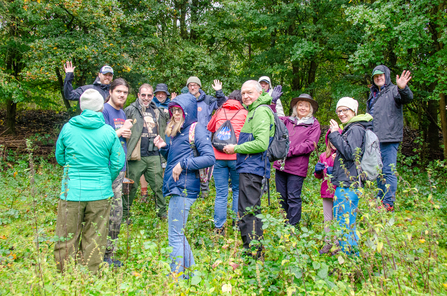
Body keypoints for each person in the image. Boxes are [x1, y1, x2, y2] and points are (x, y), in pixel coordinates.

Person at [54, 89, 125, 274]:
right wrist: (105, 178)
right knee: (95, 237)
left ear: (81, 107)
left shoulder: (68, 128)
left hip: (71, 192)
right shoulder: (108, 132)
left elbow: (60, 157)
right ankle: (90, 276)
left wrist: (72, 169)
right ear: (101, 108)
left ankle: (65, 275)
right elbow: (118, 161)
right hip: (100, 193)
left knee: (66, 236)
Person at [153, 94, 215, 278]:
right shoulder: (180, 132)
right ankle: (192, 275)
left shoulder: (197, 130)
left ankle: (177, 276)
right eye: (174, 111)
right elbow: (174, 161)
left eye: (180, 111)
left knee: (175, 234)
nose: (176, 114)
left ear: (187, 111)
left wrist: (184, 164)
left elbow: (209, 157)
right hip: (178, 186)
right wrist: (164, 148)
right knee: (178, 233)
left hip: (185, 188)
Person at [223, 80, 275, 258]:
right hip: (247, 167)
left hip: (254, 169)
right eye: (243, 93)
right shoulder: (252, 111)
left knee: (250, 212)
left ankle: (254, 253)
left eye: (250, 93)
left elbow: (261, 143)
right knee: (245, 210)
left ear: (260, 93)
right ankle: (249, 249)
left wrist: (235, 148)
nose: (245, 96)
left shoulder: (261, 111)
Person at [328, 97, 373, 254]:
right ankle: (351, 259)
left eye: (345, 110)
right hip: (349, 183)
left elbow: (350, 153)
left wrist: (334, 135)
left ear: (353, 111)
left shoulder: (356, 129)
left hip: (349, 185)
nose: (341, 113)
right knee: (346, 223)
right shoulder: (353, 128)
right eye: (338, 111)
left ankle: (348, 262)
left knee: (344, 224)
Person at [367, 65, 413, 212]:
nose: (378, 78)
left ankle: (388, 203)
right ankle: (380, 200)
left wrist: (403, 88)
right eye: (376, 76)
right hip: (375, 139)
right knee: (378, 171)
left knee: (388, 171)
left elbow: (407, 98)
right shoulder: (373, 94)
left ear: (386, 76)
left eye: (381, 75)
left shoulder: (394, 90)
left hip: (389, 137)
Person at [273, 94, 321, 226]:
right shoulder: (288, 120)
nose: (303, 107)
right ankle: (284, 224)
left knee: (293, 198)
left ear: (310, 109)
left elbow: (310, 144)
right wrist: (272, 102)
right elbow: (272, 119)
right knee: (281, 197)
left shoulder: (314, 124)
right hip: (281, 165)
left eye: (306, 105)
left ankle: (292, 228)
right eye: (300, 104)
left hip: (297, 167)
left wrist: (289, 151)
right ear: (296, 106)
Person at [124, 84, 168, 219]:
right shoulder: (130, 110)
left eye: (149, 95)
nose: (146, 98)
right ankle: (124, 216)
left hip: (154, 155)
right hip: (136, 155)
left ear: (152, 96)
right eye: (143, 95)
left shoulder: (158, 112)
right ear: (138, 95)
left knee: (158, 187)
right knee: (130, 187)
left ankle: (162, 214)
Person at [207, 90, 248, 234]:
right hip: (236, 156)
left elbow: (210, 127)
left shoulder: (219, 111)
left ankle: (219, 228)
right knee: (237, 190)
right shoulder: (245, 113)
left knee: (221, 193)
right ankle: (236, 224)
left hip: (218, 156)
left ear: (228, 99)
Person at [102, 78, 133, 266]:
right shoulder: (104, 110)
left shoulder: (121, 111)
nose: (122, 95)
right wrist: (122, 131)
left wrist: (125, 134)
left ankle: (108, 253)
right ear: (111, 91)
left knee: (117, 213)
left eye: (125, 92)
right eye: (119, 91)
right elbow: (101, 139)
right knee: (111, 213)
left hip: (119, 169)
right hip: (107, 170)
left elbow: (119, 137)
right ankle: (103, 255)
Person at [187, 77, 226, 197]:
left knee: (205, 163)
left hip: (205, 137)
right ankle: (192, 189)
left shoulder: (208, 100)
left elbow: (222, 105)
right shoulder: (186, 99)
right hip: (189, 137)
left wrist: (219, 93)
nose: (192, 87)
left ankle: (204, 189)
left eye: (195, 85)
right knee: (191, 162)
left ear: (199, 86)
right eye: (190, 85)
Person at [314, 129, 340, 254]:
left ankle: (338, 244)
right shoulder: (324, 155)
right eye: (330, 140)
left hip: (338, 191)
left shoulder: (342, 155)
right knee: (327, 218)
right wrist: (318, 170)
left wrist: (334, 168)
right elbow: (319, 176)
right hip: (326, 191)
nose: (332, 142)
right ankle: (328, 243)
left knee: (338, 217)